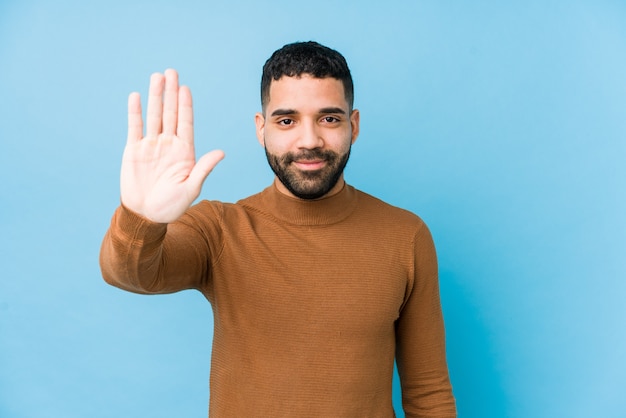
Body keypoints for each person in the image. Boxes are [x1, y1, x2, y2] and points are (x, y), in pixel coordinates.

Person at [100, 41, 456, 417]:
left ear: (353, 125)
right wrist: (142, 218)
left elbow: (427, 393)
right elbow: (130, 274)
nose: (309, 141)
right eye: (287, 120)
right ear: (261, 128)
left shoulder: (406, 235)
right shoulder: (220, 230)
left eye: (329, 119)